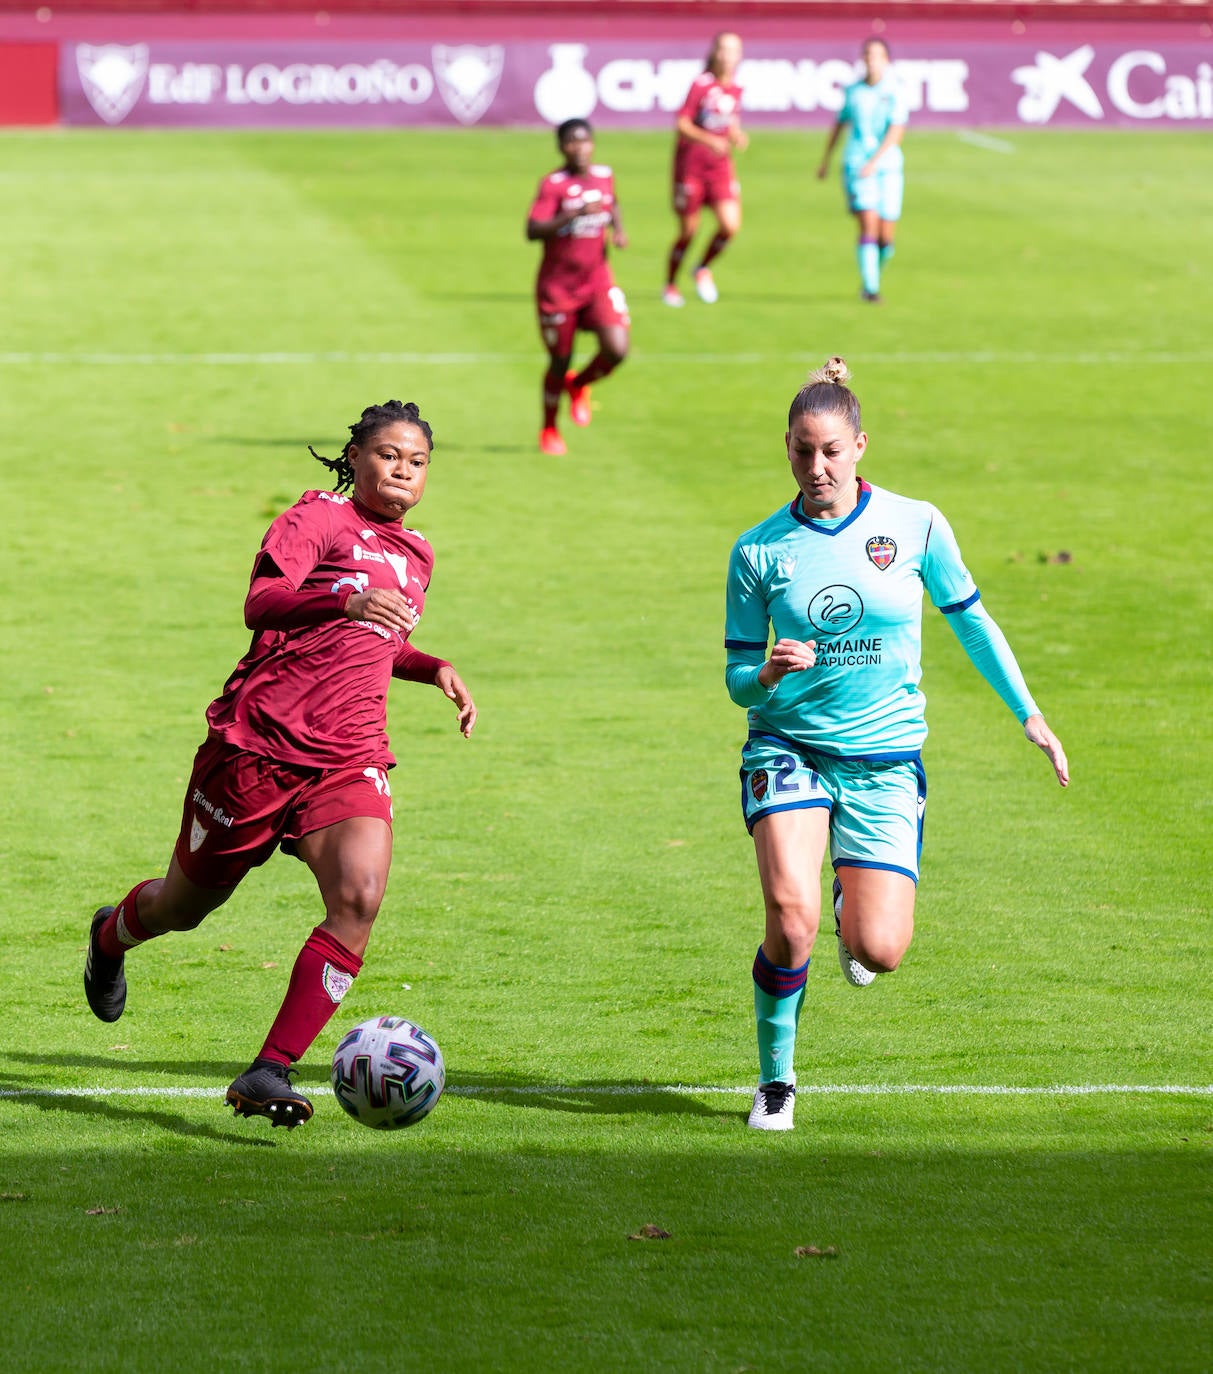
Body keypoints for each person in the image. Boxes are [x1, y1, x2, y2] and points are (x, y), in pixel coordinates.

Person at [83, 400, 477, 1128]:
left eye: (416, 462)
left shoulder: (416, 553)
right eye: (388, 454)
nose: (402, 470)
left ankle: (269, 1068)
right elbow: (263, 603)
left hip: (348, 756)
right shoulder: (314, 520)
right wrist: (346, 595)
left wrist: (431, 667)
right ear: (354, 456)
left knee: (358, 897)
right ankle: (111, 937)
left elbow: (375, 642)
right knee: (184, 906)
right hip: (256, 746)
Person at [725, 358, 1068, 1131]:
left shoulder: (914, 523)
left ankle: (855, 896)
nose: (816, 468)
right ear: (784, 447)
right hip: (788, 747)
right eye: (802, 451)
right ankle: (775, 1082)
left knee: (877, 950)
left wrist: (1028, 713)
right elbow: (737, 680)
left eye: (831, 451)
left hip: (884, 760)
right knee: (789, 915)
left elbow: (969, 619)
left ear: (859, 446)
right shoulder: (757, 551)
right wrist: (767, 673)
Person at [526, 117, 629, 457]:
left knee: (616, 348)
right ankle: (549, 428)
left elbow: (612, 203)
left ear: (592, 143)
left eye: (584, 141)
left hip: (598, 281)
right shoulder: (553, 185)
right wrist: (573, 215)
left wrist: (618, 229)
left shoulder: (604, 175)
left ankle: (579, 383)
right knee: (559, 359)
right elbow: (533, 230)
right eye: (571, 142)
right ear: (561, 147)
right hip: (558, 290)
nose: (579, 147)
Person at [816, 38, 907, 303]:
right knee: (868, 223)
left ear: (886, 61)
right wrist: (825, 160)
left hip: (888, 168)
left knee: (886, 238)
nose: (871, 59)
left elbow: (896, 131)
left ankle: (872, 277)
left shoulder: (895, 91)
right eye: (867, 54)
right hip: (857, 165)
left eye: (877, 55)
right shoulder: (853, 91)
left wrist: (876, 161)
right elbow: (839, 124)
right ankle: (871, 288)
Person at [663, 31, 748, 308]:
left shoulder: (735, 87)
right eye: (722, 50)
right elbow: (682, 124)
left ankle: (701, 267)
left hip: (720, 168)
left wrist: (736, 134)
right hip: (691, 167)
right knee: (689, 230)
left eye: (733, 50)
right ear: (714, 52)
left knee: (730, 225)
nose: (727, 56)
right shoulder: (701, 85)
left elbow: (728, 119)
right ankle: (671, 284)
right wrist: (710, 139)